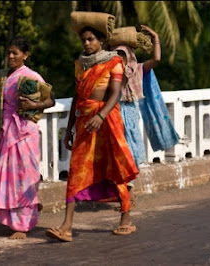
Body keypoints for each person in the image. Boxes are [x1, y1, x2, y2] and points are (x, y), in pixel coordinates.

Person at [45, 21, 139, 242]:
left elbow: (115, 93)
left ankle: (125, 217)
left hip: (106, 121)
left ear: (101, 42)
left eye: (91, 40)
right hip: (84, 122)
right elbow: (78, 97)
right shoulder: (80, 64)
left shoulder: (114, 62)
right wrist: (68, 130)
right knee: (76, 169)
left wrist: (101, 115)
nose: (86, 43)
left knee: (114, 168)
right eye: (83, 40)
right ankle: (66, 226)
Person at [0, 36, 55, 240]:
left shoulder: (31, 76)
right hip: (7, 131)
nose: (11, 56)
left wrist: (33, 106)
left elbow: (50, 100)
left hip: (25, 132)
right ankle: (21, 213)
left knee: (25, 175)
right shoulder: (1, 78)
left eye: (16, 53)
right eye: (9, 53)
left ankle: (23, 224)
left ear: (25, 55)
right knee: (10, 177)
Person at [109, 25, 180, 205]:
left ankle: (129, 192)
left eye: (122, 55)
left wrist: (156, 37)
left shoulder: (138, 70)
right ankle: (124, 194)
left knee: (131, 152)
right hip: (113, 114)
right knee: (116, 153)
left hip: (130, 113)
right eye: (117, 55)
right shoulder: (109, 72)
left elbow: (156, 58)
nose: (120, 59)